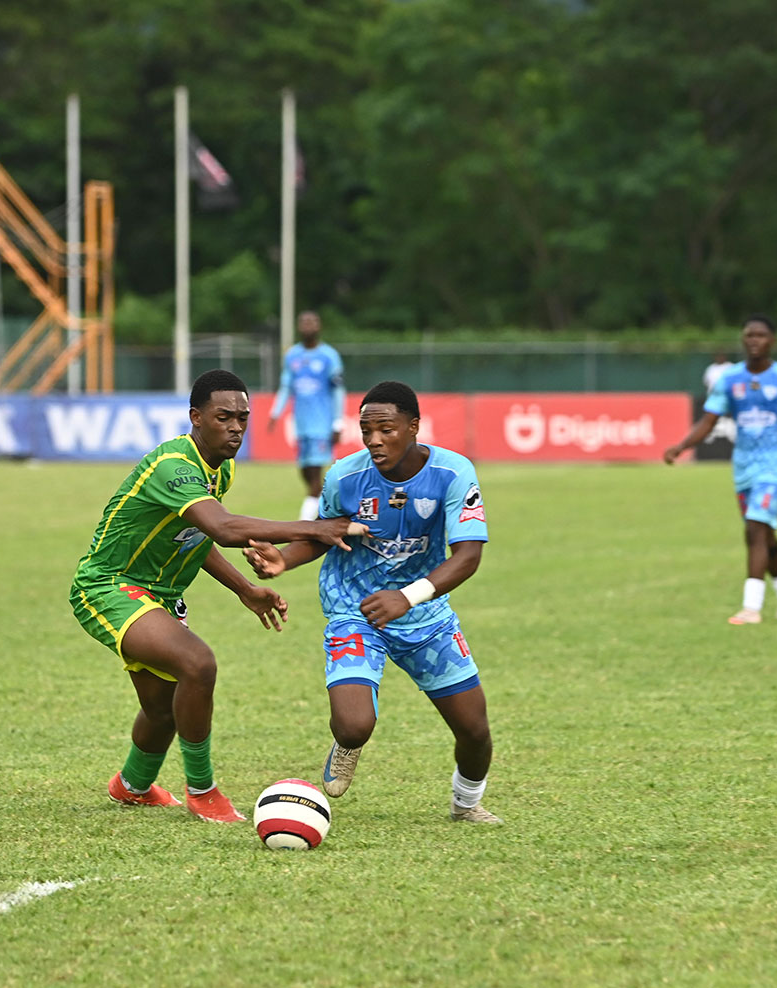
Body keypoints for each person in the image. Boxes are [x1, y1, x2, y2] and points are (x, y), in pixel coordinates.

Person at [70, 369, 367, 823]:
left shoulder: (220, 469)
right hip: (109, 585)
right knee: (198, 663)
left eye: (243, 418)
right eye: (223, 417)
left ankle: (131, 787)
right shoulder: (174, 466)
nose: (235, 427)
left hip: (161, 594)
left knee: (163, 708)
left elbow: (197, 535)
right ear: (196, 417)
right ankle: (202, 791)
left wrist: (245, 589)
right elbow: (224, 529)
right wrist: (315, 527)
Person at [244, 381, 501, 824]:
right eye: (366, 430)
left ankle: (465, 805)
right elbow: (324, 535)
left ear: (414, 426)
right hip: (353, 610)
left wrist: (407, 596)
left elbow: (469, 555)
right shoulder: (344, 476)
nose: (375, 440)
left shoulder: (454, 473)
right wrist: (281, 561)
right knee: (353, 724)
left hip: (425, 614)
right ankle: (346, 745)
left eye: (387, 429)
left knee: (475, 730)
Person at [663, 316, 777, 624]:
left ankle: (751, 608)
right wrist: (682, 445)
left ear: (772, 341)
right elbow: (708, 421)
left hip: (775, 466)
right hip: (744, 468)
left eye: (761, 336)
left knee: (754, 529)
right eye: (748, 335)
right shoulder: (730, 379)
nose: (753, 341)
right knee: (765, 535)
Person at [268, 310, 345, 521]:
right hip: (301, 424)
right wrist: (275, 412)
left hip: (322, 425)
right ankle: (320, 510)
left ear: (319, 326)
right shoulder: (292, 355)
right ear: (298, 327)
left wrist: (337, 423)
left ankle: (305, 521)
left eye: (312, 322)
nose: (308, 326)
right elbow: (286, 386)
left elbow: (338, 390)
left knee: (314, 474)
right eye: (304, 322)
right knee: (305, 471)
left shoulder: (329, 356)